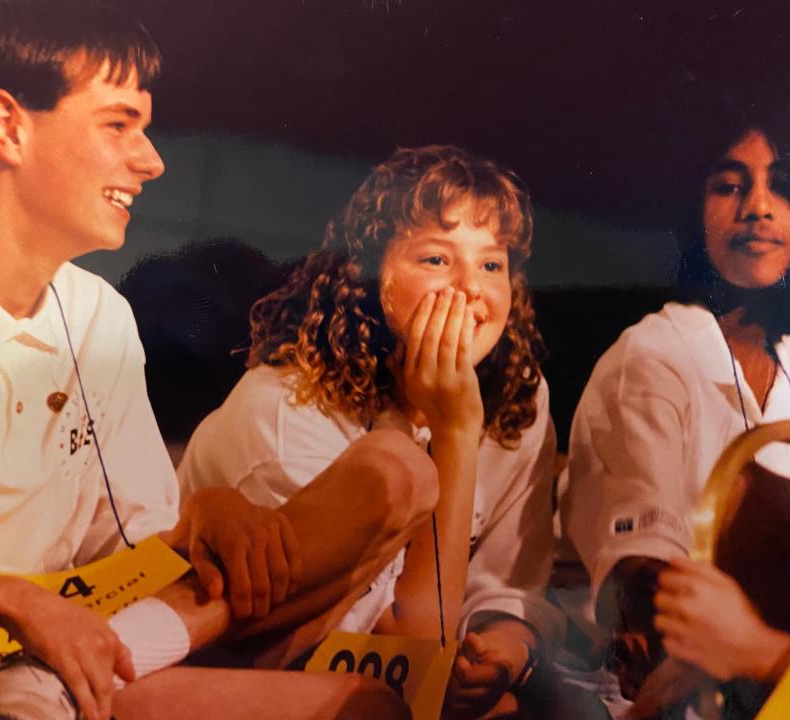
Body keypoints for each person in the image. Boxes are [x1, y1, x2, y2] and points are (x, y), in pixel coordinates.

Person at [0, 3, 417, 719]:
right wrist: (0, 597)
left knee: (369, 689)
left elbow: (140, 553)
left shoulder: (99, 316)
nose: (152, 160)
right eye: (118, 124)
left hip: (66, 662)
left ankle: (43, 687)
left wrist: (208, 513)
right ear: (9, 126)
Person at [178, 144, 564, 718]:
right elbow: (401, 649)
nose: (469, 289)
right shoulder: (286, 412)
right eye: (437, 259)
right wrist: (456, 432)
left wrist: (506, 645)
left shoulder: (518, 395)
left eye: (492, 265)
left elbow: (508, 581)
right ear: (365, 273)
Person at [560, 104, 790, 717]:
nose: (758, 207)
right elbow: (645, 580)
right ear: (693, 210)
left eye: (784, 189)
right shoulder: (655, 352)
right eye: (730, 186)